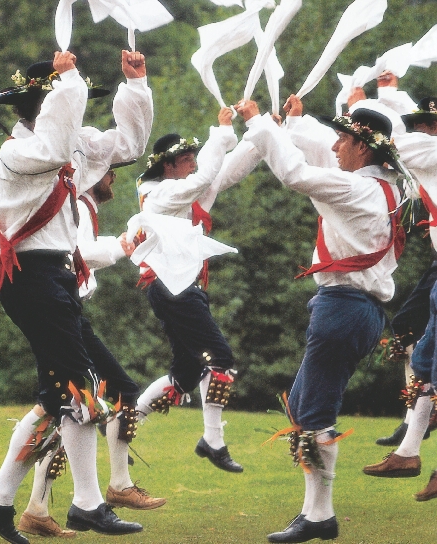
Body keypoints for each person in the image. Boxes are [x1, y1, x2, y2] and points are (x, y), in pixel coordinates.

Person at [0, 48, 153, 544]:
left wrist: (134, 87)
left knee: (60, 396)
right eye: (70, 100)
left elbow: (130, 144)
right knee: (80, 388)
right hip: (29, 277)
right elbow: (54, 148)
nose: (80, 112)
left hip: (51, 279)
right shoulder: (20, 150)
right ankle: (89, 504)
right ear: (46, 105)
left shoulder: (68, 144)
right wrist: (68, 81)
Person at [234, 98, 404, 543]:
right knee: (303, 404)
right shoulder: (384, 186)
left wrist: (256, 122)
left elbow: (297, 174)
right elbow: (319, 156)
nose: (335, 145)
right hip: (357, 309)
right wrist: (291, 121)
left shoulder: (358, 190)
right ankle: (313, 512)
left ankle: (320, 516)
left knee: (315, 413)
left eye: (344, 139)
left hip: (343, 307)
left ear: (364, 148)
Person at [15, 166, 165, 539]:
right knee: (95, 397)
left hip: (69, 312)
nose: (113, 176)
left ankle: (38, 506)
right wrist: (121, 245)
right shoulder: (77, 203)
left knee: (64, 406)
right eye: (109, 170)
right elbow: (75, 254)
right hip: (65, 314)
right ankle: (112, 488)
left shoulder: (81, 204)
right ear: (93, 173)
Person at [128, 108, 244, 473]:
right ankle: (213, 440)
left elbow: (228, 170)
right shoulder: (162, 195)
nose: (193, 163)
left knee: (186, 374)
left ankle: (122, 426)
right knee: (221, 359)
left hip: (176, 288)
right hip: (173, 287)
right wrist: (222, 132)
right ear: (167, 167)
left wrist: (263, 131)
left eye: (193, 156)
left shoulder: (182, 194)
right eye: (185, 158)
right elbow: (209, 174)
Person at [362, 97, 437, 501]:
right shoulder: (429, 151)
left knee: (428, 360)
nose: (420, 132)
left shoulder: (429, 150)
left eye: (427, 125)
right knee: (425, 360)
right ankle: (408, 451)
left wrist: (367, 111)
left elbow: (393, 146)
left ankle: (412, 451)